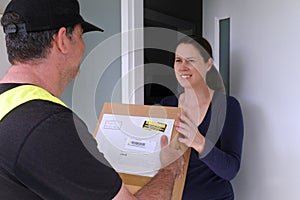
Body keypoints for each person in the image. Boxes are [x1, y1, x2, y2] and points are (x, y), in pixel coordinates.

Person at [0, 0, 184, 199]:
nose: (84, 46)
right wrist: (169, 169)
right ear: (62, 40)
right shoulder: (48, 125)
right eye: (80, 35)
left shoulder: (7, 104)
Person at [160, 35, 244, 200]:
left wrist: (198, 141)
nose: (183, 67)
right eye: (178, 60)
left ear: (208, 64)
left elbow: (230, 170)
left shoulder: (227, 107)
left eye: (190, 60)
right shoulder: (166, 104)